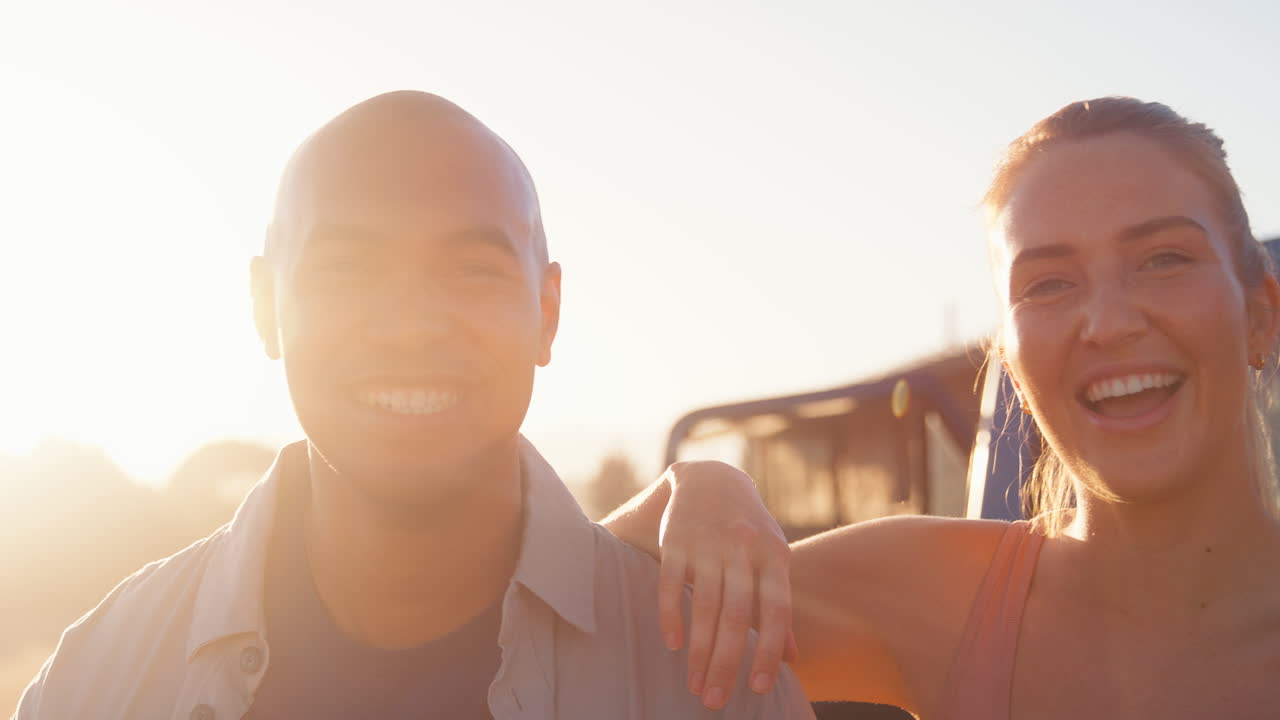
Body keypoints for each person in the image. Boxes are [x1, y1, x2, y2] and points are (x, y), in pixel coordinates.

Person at [13, 91, 813, 719]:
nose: (408, 328)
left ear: (548, 312)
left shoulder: (708, 686)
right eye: (345, 270)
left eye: (471, 270)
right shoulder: (100, 679)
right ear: (266, 308)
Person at [606, 97, 1280, 718]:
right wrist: (690, 490)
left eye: (1163, 259)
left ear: (1260, 315)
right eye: (1048, 283)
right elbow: (556, 620)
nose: (1107, 322)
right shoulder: (935, 596)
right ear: (1011, 359)